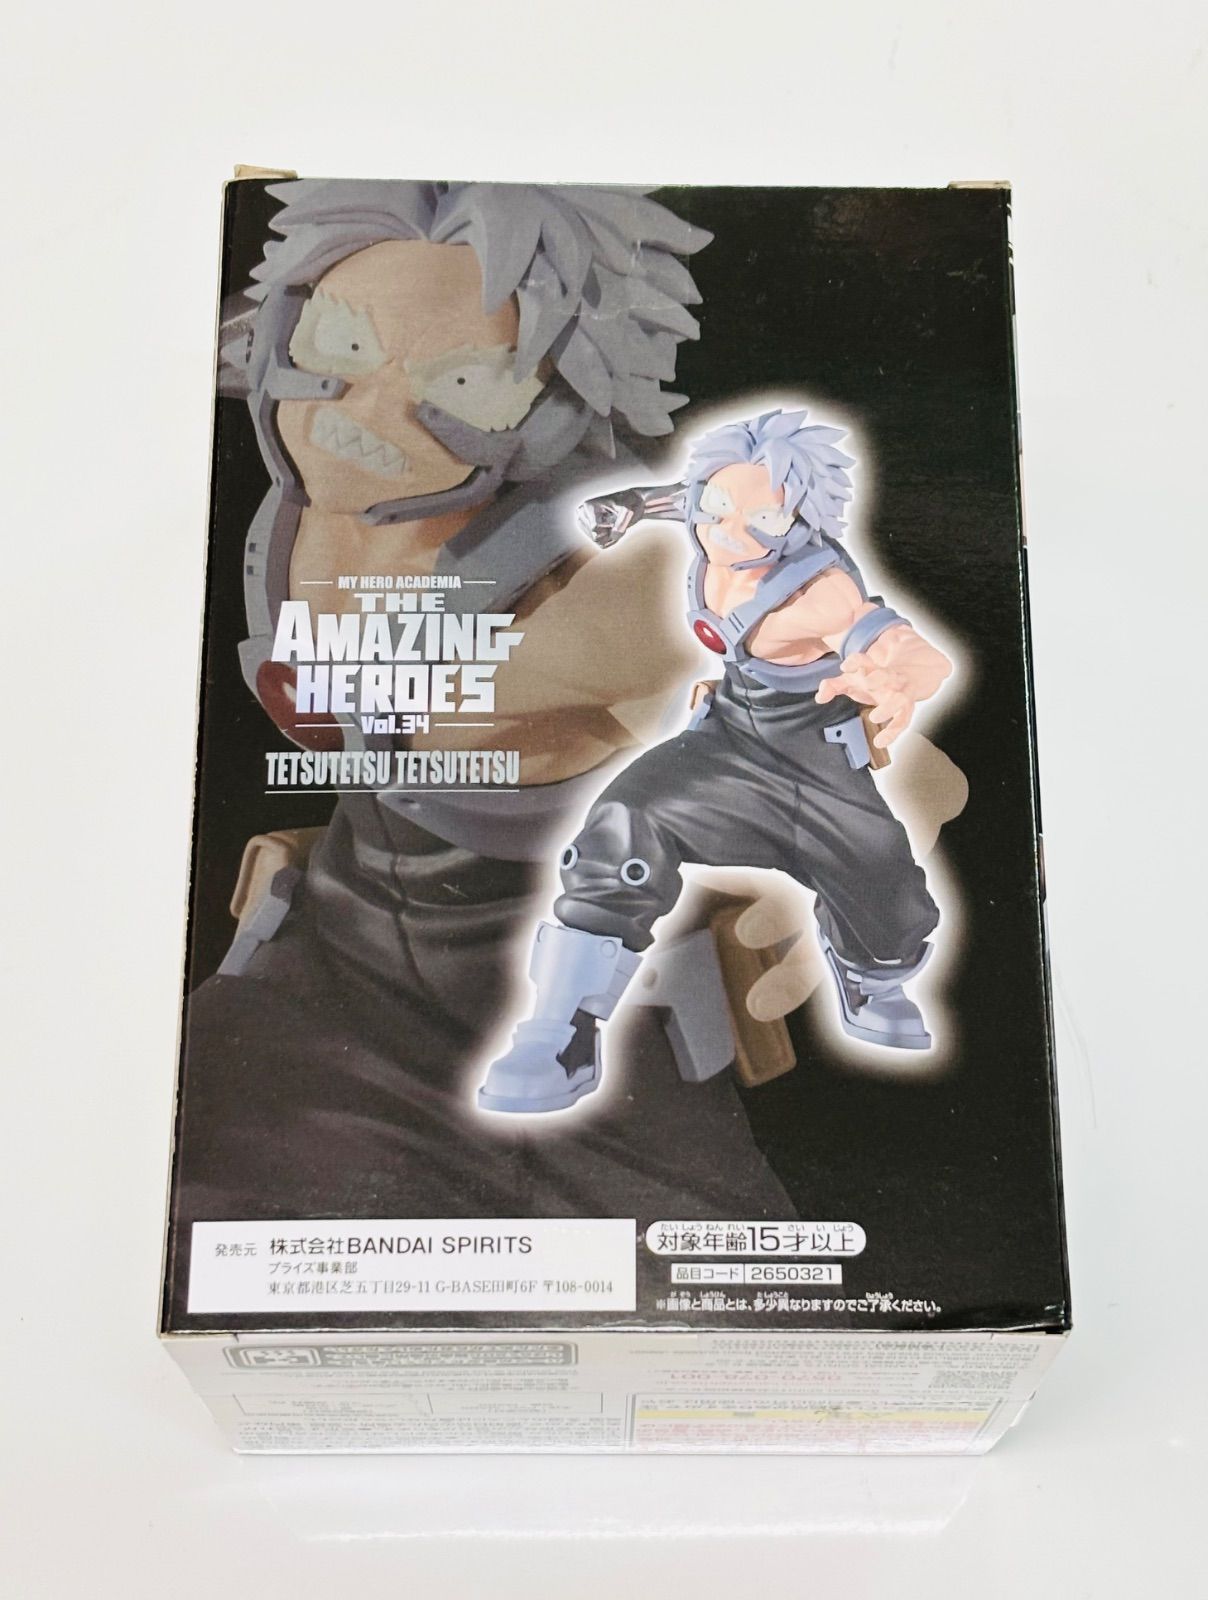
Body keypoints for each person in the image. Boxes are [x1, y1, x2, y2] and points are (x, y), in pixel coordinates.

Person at [480, 409, 953, 1114]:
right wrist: (631, 506)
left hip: (813, 768)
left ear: (798, 522)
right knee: (621, 825)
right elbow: (689, 498)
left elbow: (909, 651)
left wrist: (895, 680)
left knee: (886, 891)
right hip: (725, 742)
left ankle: (872, 978)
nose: (730, 529)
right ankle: (558, 1031)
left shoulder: (819, 590)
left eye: (764, 518)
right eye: (718, 506)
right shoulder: (712, 510)